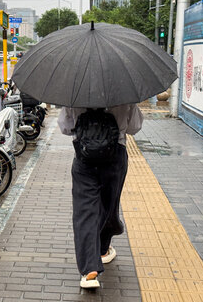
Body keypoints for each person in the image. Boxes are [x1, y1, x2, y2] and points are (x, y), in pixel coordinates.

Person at [58, 104, 143, 289]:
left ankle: (89, 270)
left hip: (85, 155)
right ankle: (103, 249)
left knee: (85, 211)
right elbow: (135, 126)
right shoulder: (125, 91)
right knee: (108, 205)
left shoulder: (75, 91)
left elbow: (65, 127)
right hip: (115, 156)